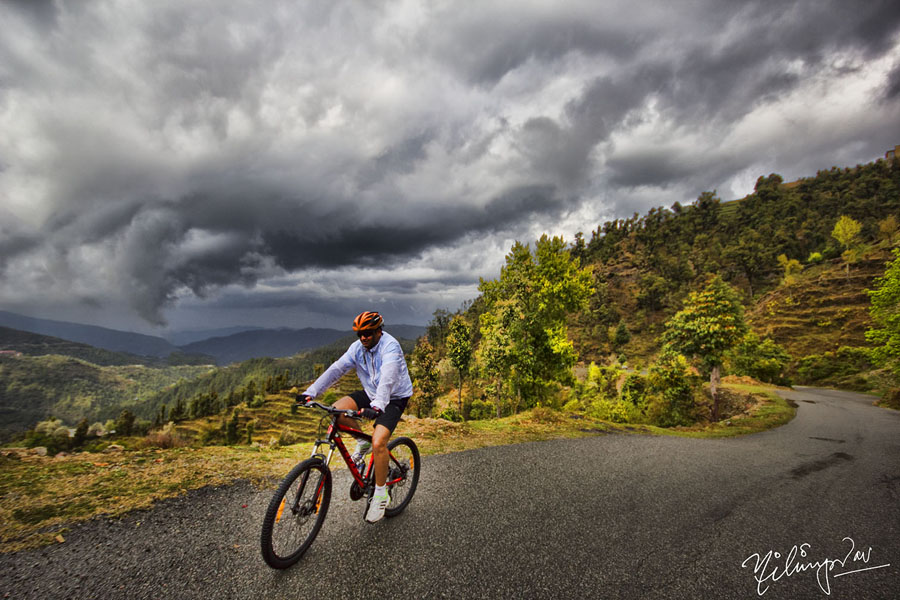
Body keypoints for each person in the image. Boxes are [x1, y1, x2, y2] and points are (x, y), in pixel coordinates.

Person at [298, 311, 414, 523]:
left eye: (368, 333)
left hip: (394, 397)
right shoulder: (357, 348)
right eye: (360, 334)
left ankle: (380, 494)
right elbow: (336, 370)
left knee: (379, 442)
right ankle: (362, 441)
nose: (363, 337)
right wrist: (310, 393)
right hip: (371, 393)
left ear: (379, 331)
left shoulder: (391, 346)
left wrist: (378, 407)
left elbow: (388, 378)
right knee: (337, 411)